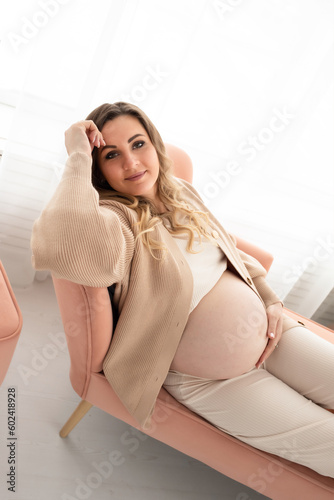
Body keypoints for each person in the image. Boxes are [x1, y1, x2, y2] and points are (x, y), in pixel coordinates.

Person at [31, 102, 334, 478]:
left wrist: (270, 300)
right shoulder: (117, 221)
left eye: (138, 144)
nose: (131, 163)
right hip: (217, 380)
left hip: (276, 334)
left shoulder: (182, 193)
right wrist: (77, 154)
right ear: (100, 170)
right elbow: (65, 243)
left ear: (155, 145)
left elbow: (228, 248)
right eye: (112, 155)